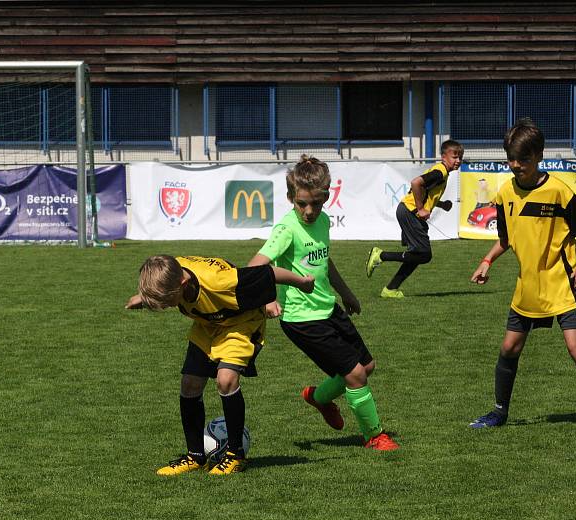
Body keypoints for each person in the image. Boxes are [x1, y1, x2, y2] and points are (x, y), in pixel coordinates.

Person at [469, 118, 576, 432]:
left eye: (524, 160)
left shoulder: (557, 191)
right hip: (529, 286)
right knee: (509, 348)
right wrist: (487, 261)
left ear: (539, 156)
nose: (516, 165)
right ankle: (499, 413)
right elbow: (506, 238)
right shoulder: (506, 192)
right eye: (511, 159)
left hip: (563, 284)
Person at [248, 155, 399, 451]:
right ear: (291, 197)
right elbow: (255, 268)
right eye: (302, 203)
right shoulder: (287, 229)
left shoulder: (323, 220)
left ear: (326, 197)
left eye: (316, 203)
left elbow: (324, 261)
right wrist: (267, 299)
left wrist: (346, 292)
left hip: (329, 308)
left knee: (366, 366)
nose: (309, 211)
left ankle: (317, 397)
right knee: (354, 375)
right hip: (302, 320)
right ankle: (374, 435)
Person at [126, 254, 315, 475]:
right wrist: (146, 297)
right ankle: (195, 456)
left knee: (226, 379)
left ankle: (235, 455)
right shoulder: (172, 271)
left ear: (182, 283)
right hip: (208, 323)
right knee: (189, 384)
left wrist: (302, 283)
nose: (167, 306)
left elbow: (268, 273)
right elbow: (162, 284)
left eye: (167, 300)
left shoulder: (219, 282)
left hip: (241, 323)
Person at [365, 139, 463, 298]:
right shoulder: (441, 171)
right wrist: (420, 208)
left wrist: (441, 204)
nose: (458, 161)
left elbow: (424, 191)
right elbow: (416, 183)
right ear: (444, 157)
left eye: (460, 157)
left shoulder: (441, 172)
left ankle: (390, 289)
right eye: (454, 157)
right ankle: (381, 255)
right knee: (424, 255)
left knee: (416, 255)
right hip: (410, 212)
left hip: (408, 211)